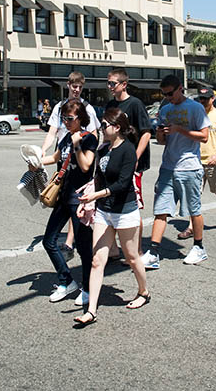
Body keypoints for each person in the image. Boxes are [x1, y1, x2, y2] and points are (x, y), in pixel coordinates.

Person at [73, 108, 150, 326]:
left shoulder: (128, 150)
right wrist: (88, 201)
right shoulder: (103, 148)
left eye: (105, 125)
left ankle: (144, 292)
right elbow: (98, 177)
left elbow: (123, 183)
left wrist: (95, 196)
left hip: (125, 212)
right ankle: (91, 311)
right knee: (98, 260)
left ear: (117, 128)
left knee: (132, 257)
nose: (101, 128)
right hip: (104, 212)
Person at [141, 75, 210, 268]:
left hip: (189, 167)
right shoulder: (165, 110)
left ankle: (199, 247)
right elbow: (162, 142)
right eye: (164, 94)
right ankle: (153, 252)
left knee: (194, 210)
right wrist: (161, 133)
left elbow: (204, 137)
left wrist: (180, 130)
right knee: (160, 210)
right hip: (168, 167)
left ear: (181, 88)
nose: (168, 97)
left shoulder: (195, 108)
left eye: (170, 93)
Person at [34, 99, 97, 303]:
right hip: (63, 196)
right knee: (49, 241)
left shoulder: (88, 139)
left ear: (80, 119)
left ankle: (88, 289)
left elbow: (86, 166)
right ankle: (67, 280)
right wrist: (35, 162)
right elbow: (55, 158)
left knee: (83, 247)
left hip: (79, 198)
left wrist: (77, 144)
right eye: (64, 118)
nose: (66, 122)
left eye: (69, 118)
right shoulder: (65, 138)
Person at [41, 72, 101, 258]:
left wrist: (85, 151)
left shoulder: (87, 108)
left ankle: (72, 243)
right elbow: (52, 132)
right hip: (64, 155)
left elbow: (94, 134)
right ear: (68, 85)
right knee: (66, 197)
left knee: (76, 201)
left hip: (79, 154)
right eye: (74, 86)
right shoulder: (59, 107)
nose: (76, 90)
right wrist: (42, 152)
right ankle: (80, 244)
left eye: (80, 87)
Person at [105, 68, 152, 254]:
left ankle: (137, 251)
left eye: (113, 83)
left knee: (131, 207)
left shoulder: (135, 104)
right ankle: (114, 249)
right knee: (111, 204)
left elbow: (146, 132)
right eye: (108, 83)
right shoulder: (110, 105)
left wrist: (135, 159)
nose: (109, 87)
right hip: (114, 161)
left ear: (124, 84)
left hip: (132, 164)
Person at [180, 88, 216, 238]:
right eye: (200, 99)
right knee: (194, 195)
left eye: (206, 99)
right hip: (195, 161)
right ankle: (191, 227)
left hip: (214, 161)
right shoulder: (194, 114)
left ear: (213, 99)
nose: (202, 101)